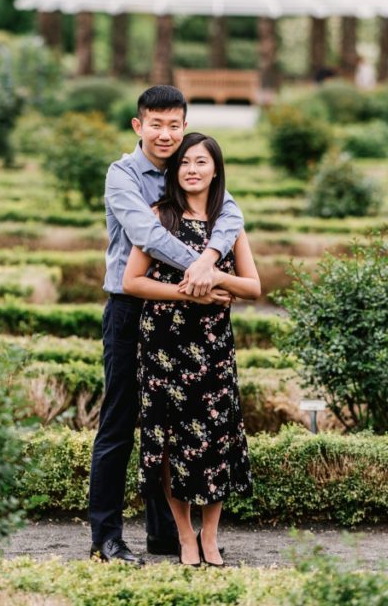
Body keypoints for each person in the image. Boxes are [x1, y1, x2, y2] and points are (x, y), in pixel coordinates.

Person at [89, 86, 244, 564]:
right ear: (139, 126)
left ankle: (166, 534)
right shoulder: (123, 176)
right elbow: (148, 235)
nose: (166, 133)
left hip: (183, 315)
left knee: (171, 421)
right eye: (156, 124)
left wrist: (213, 258)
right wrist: (199, 269)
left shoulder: (186, 165)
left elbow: (230, 211)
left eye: (174, 124)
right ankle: (106, 538)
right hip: (131, 308)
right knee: (119, 422)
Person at [123, 132, 259, 567]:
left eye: (201, 162)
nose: (192, 169)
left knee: (215, 438)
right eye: (184, 163)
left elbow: (254, 287)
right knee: (168, 441)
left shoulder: (228, 221)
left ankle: (211, 537)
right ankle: (185, 536)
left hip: (213, 347)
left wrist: (216, 278)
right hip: (164, 343)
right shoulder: (159, 216)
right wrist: (190, 294)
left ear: (215, 169)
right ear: (174, 171)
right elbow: (133, 282)